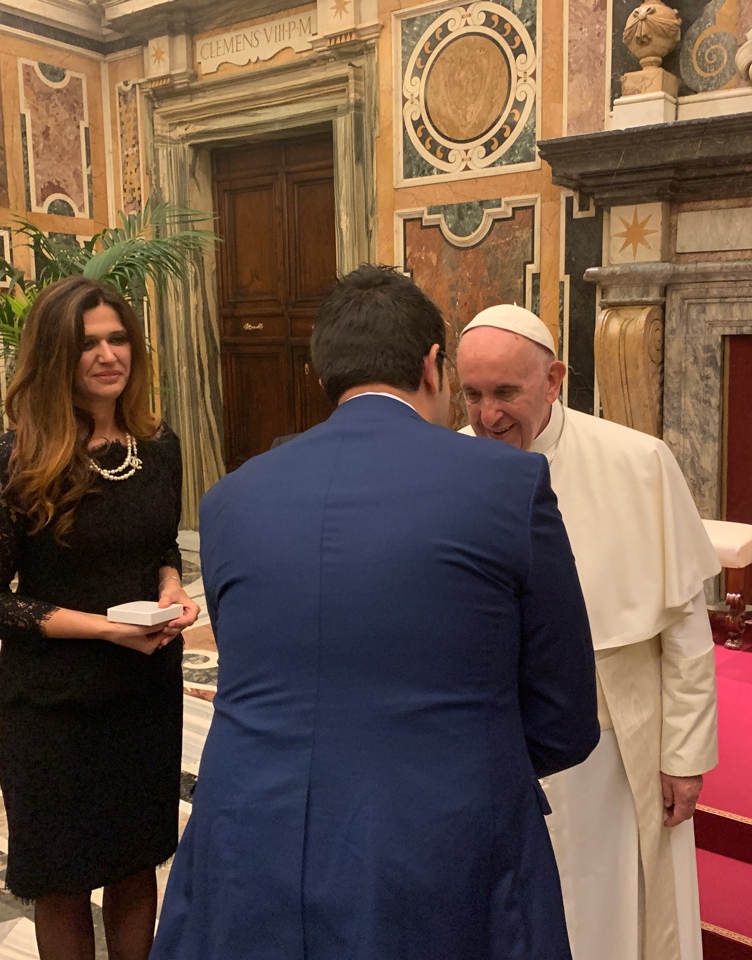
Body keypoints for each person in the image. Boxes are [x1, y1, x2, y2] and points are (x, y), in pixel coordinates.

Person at [151, 265, 599, 960]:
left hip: (249, 834)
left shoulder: (231, 499)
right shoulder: (507, 483)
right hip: (440, 843)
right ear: (433, 366)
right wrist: (467, 759)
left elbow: (255, 667)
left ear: (320, 374)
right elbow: (565, 715)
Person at [455, 305, 720, 960]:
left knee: (605, 916)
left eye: (506, 392)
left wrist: (685, 755)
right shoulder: (447, 466)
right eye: (472, 394)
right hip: (489, 744)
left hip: (610, 748)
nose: (488, 415)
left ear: (554, 380)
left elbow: (686, 629)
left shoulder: (638, 461)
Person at [0, 276, 199, 960]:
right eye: (87, 343)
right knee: (60, 880)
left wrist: (171, 585)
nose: (107, 355)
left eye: (118, 339)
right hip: (53, 704)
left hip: (142, 695)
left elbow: (160, 545)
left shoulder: (159, 445)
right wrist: (106, 629)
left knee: (136, 865)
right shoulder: (15, 456)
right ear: (55, 356)